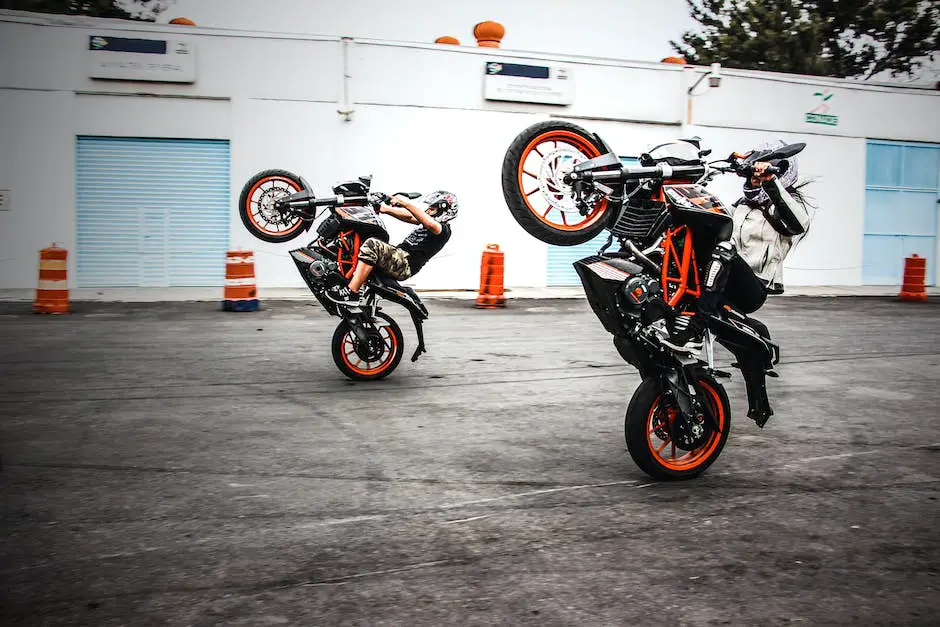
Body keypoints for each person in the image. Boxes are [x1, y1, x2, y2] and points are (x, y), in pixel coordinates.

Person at [698, 141, 811, 317]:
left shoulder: (782, 207)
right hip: (726, 277)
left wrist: (770, 183)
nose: (753, 181)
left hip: (754, 286)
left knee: (725, 250)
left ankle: (702, 315)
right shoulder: (740, 206)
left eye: (759, 179)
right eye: (752, 177)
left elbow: (799, 225)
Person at [325, 191, 458, 305]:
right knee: (363, 239)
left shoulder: (443, 229)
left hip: (405, 264)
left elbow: (428, 221)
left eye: (433, 208)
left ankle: (352, 292)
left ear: (445, 210)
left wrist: (404, 202)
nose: (428, 210)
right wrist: (385, 208)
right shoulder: (427, 224)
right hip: (399, 258)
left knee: (373, 245)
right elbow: (411, 217)